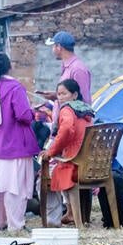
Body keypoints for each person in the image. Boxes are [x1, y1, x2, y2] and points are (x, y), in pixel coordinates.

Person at [0, 52, 38, 231]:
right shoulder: (15, 88)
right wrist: (32, 113)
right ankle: (16, 225)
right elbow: (22, 115)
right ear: (9, 67)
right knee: (15, 188)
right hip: (15, 146)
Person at [42, 79, 96, 226]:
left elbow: (66, 130)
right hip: (91, 166)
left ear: (74, 95)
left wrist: (51, 152)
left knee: (45, 175)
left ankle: (56, 218)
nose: (60, 97)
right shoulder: (86, 110)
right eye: (58, 94)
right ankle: (71, 213)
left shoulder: (67, 110)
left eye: (64, 93)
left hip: (75, 165)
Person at [37, 30, 93, 124]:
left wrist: (57, 96)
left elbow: (82, 102)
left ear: (58, 47)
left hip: (72, 126)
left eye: (53, 46)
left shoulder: (77, 69)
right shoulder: (67, 67)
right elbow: (71, 96)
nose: (53, 50)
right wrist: (56, 95)